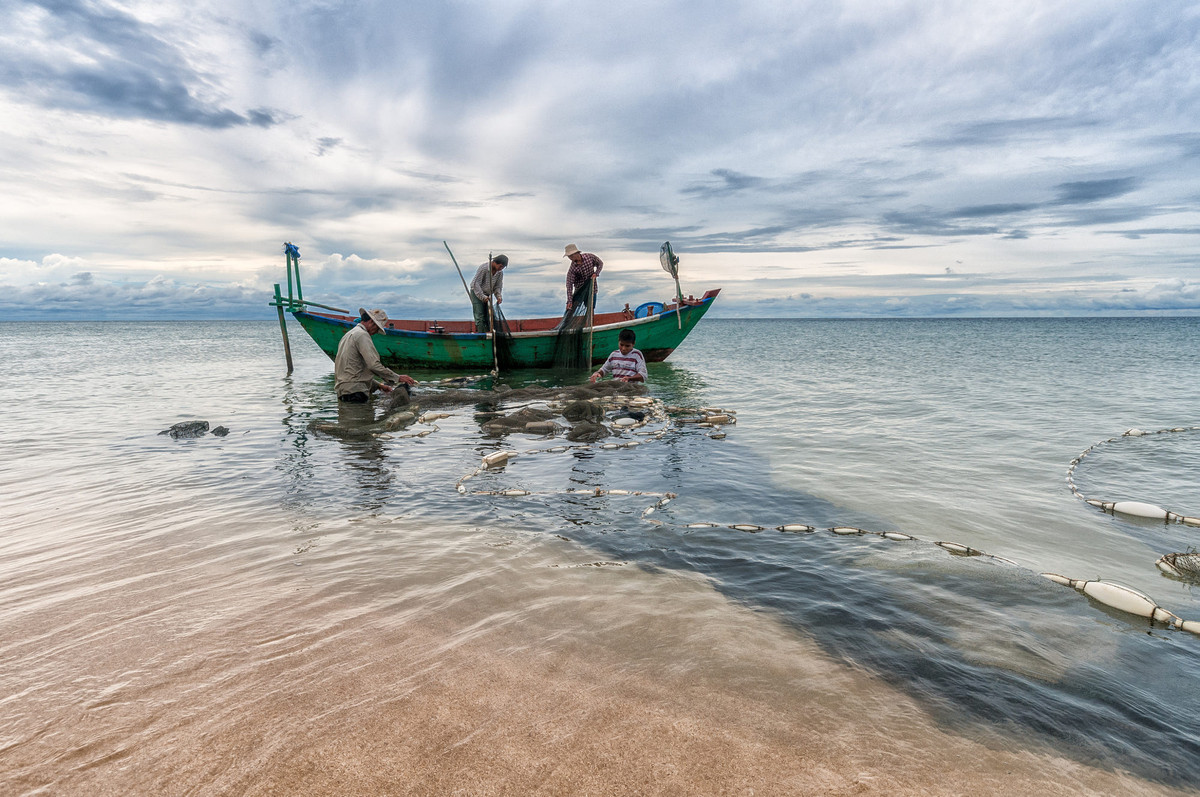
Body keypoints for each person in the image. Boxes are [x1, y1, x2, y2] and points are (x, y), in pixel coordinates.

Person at [334, 308, 417, 403]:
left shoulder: (348, 335)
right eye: (377, 328)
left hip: (343, 391)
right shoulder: (362, 335)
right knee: (361, 417)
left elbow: (353, 372)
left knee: (349, 417)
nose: (376, 332)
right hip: (356, 393)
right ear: (371, 322)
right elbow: (373, 365)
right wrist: (397, 377)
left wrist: (379, 386)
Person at [470, 254, 507, 333]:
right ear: (495, 262)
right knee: (480, 316)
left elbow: (498, 286)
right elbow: (475, 284)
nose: (501, 269)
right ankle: (482, 336)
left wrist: (498, 296)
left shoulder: (499, 273)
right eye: (500, 266)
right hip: (476, 293)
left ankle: (489, 333)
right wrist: (483, 297)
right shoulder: (484, 268)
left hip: (487, 294)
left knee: (490, 316)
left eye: (502, 267)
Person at [563, 244, 603, 312]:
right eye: (569, 256)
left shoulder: (589, 257)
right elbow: (569, 285)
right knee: (571, 309)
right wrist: (569, 301)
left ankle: (590, 321)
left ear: (575, 254)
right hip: (579, 290)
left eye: (570, 256)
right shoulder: (573, 269)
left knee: (590, 308)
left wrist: (596, 273)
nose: (569, 258)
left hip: (592, 288)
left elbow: (600, 263)